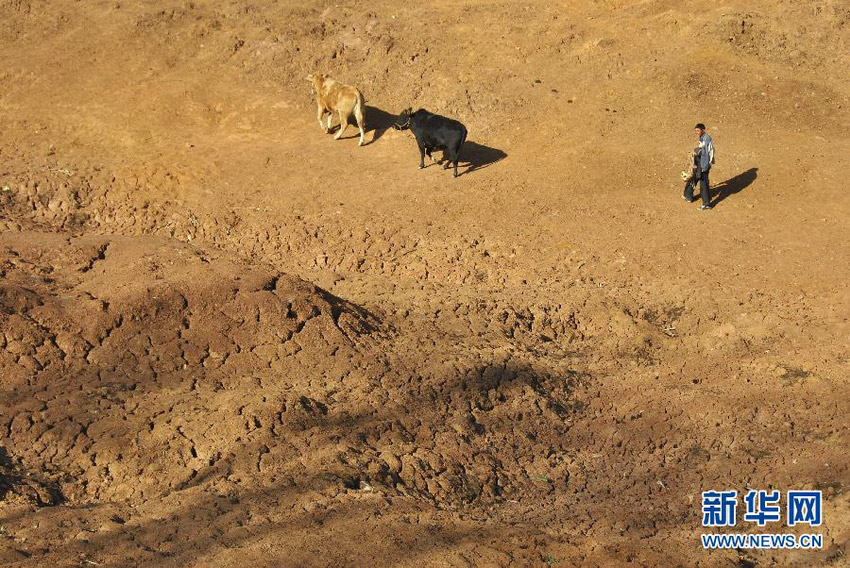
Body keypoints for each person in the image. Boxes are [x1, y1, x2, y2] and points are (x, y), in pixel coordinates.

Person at [683, 123, 715, 210]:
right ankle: (688, 196)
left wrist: (697, 151)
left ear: (703, 130)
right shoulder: (702, 138)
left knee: (703, 184)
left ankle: (706, 204)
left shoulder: (706, 138)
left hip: (704, 165)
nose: (696, 132)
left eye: (698, 130)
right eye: (695, 130)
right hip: (700, 163)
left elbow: (705, 153)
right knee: (694, 177)